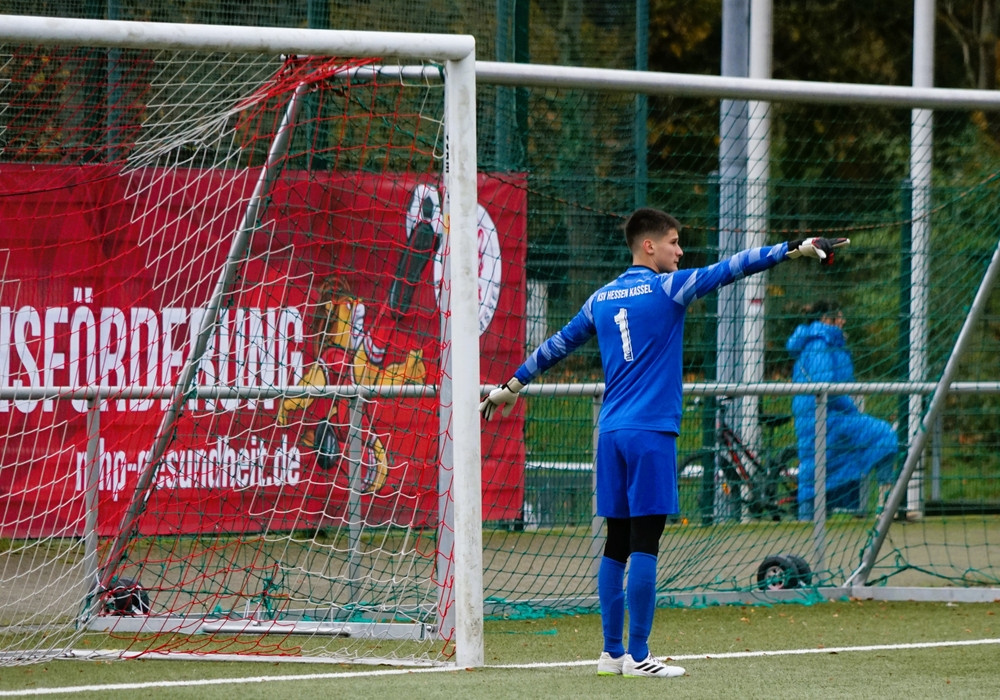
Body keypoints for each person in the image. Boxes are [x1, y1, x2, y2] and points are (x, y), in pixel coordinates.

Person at [479, 207, 846, 679]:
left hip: (611, 432)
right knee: (645, 543)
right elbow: (732, 268)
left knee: (615, 542)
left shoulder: (600, 298)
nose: (680, 250)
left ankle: (611, 655)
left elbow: (556, 345)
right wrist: (793, 249)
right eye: (673, 242)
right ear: (648, 246)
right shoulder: (668, 288)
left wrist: (510, 386)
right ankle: (638, 656)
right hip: (649, 433)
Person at [786, 300, 898, 521]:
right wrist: (849, 409)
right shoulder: (819, 343)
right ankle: (886, 505)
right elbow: (824, 385)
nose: (843, 321)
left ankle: (809, 519)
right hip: (824, 419)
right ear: (826, 319)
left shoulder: (823, 340)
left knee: (816, 472)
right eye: (839, 316)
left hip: (822, 418)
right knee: (884, 435)